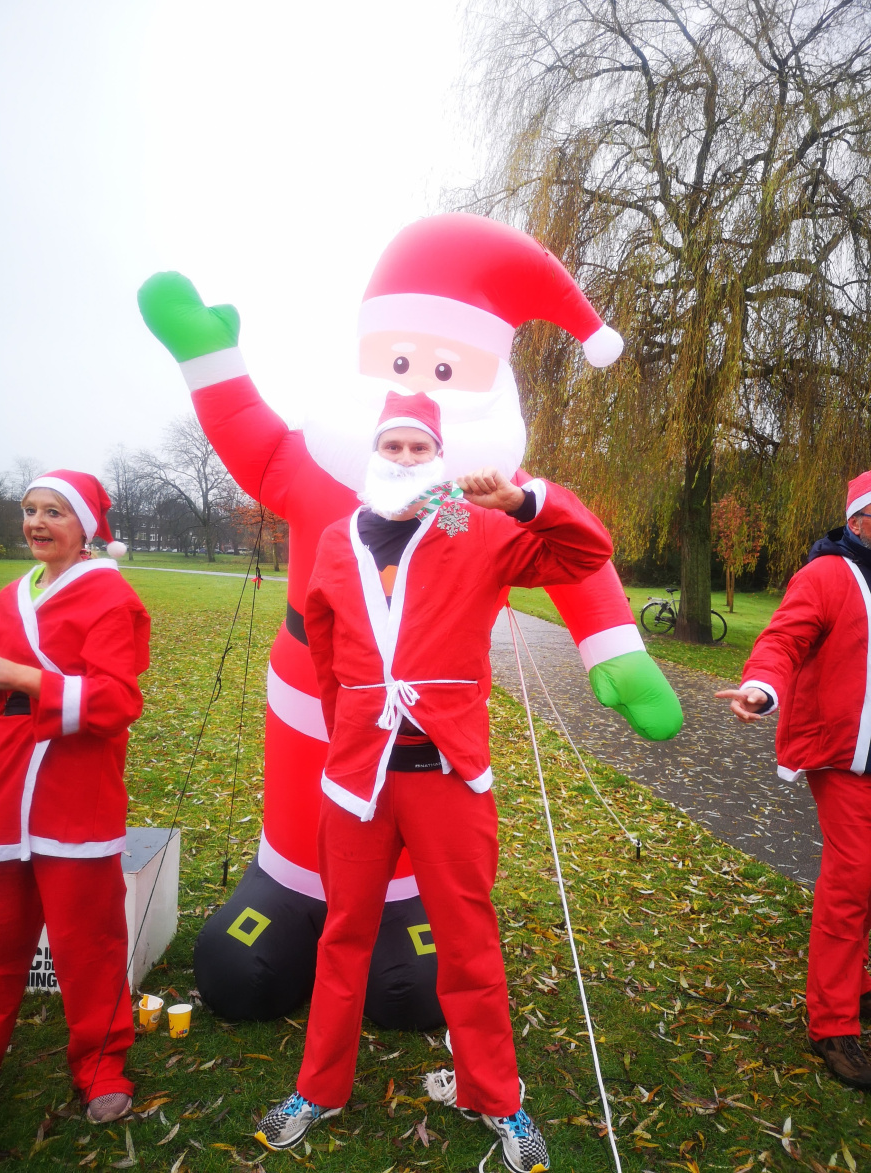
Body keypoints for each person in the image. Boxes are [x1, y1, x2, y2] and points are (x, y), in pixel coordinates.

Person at [137, 213, 681, 1026]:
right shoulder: (316, 461)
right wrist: (208, 355)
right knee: (292, 847)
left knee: (410, 882)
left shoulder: (489, 492)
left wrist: (615, 646)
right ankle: (288, 886)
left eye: (443, 368)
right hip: (316, 698)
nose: (419, 386)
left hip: (434, 721)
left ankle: (405, 902)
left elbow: (574, 546)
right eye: (398, 364)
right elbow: (247, 437)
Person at [254, 391, 614, 1173]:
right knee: (342, 932)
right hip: (359, 778)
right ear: (374, 456)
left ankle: (497, 1093)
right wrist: (357, 725)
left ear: (440, 457)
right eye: (396, 447)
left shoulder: (470, 524)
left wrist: (524, 500)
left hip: (450, 772)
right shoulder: (337, 536)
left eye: (422, 448)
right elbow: (325, 656)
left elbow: (585, 553)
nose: (408, 460)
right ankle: (319, 1086)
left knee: (469, 938)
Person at [0, 470, 150, 1123]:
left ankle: (100, 1061)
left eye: (54, 511)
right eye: (30, 510)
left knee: (90, 941)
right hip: (3, 784)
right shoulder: (6, 597)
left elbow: (116, 700)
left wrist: (16, 675)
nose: (36, 522)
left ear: (84, 525)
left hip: (74, 788)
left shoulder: (113, 599)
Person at [716, 469, 871, 1090]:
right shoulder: (829, 574)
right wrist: (761, 687)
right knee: (854, 877)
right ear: (859, 519)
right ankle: (832, 1023)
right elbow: (784, 640)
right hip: (845, 759)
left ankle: (853, 982)